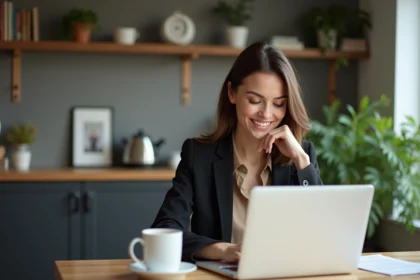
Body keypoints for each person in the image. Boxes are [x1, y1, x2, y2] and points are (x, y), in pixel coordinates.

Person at [151, 41, 323, 264]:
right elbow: (166, 229)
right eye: (255, 101)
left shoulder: (301, 156)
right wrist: (222, 250)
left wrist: (301, 160)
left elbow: (321, 233)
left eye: (279, 104)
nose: (266, 114)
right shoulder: (199, 155)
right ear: (232, 93)